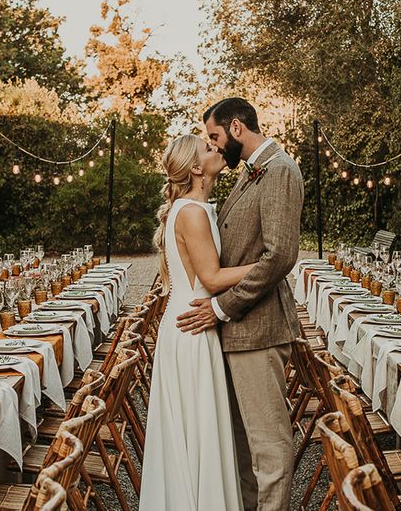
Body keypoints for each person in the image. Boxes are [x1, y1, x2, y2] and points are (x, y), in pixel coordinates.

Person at [177, 97, 303, 510]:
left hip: (258, 328)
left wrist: (220, 307)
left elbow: (280, 255)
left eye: (214, 136)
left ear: (235, 129)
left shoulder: (280, 170)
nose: (212, 145)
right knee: (242, 445)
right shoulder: (249, 173)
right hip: (235, 332)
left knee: (269, 447)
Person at [140, 133, 256, 510]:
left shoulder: (196, 209)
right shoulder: (190, 212)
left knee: (198, 427)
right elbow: (211, 278)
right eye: (208, 149)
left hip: (191, 321)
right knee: (198, 427)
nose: (217, 149)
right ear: (194, 168)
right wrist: (266, 266)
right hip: (192, 327)